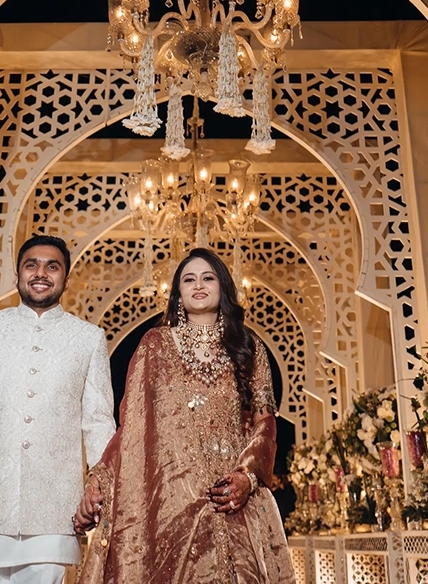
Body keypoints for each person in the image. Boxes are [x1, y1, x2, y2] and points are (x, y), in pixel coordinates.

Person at [73, 247, 295, 584]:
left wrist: (247, 478)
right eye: (188, 280)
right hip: (170, 504)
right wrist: (100, 476)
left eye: (208, 278)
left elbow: (265, 424)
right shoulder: (155, 346)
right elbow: (133, 428)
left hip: (234, 501)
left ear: (223, 287)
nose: (199, 285)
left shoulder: (248, 347)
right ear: (178, 293)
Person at [0, 234, 116, 584]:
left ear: (65, 278)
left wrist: (100, 489)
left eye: (52, 266)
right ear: (18, 274)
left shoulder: (88, 338)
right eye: (31, 265)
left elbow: (98, 422)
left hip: (53, 515)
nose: (41, 273)